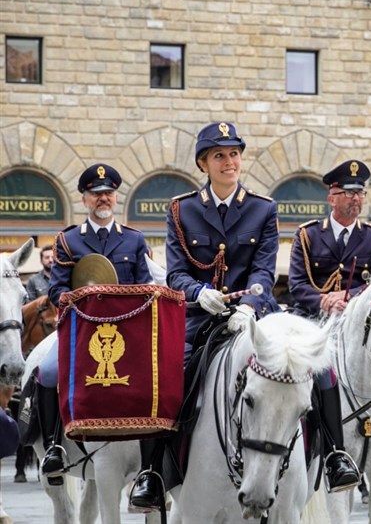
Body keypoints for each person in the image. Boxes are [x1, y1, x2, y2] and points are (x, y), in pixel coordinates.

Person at [129, 121, 282, 511]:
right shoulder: (182, 209)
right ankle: (153, 471)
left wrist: (248, 307)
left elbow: (264, 270)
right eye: (219, 156)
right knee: (164, 382)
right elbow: (177, 272)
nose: (229, 162)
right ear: (204, 164)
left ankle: (329, 456)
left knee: (308, 371)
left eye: (234, 154)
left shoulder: (263, 209)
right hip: (200, 319)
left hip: (253, 317)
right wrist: (201, 293)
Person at [37, 164, 152, 486]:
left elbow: (144, 287)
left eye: (108, 193)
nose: (103, 198)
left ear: (115, 197)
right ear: (85, 199)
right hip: (81, 329)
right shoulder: (68, 240)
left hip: (127, 332)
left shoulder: (134, 240)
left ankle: (153, 463)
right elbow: (56, 289)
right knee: (46, 373)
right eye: (96, 194)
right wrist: (74, 296)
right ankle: (54, 446)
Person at [288, 159, 371, 492]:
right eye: (348, 193)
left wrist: (353, 300)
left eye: (360, 192)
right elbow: (297, 285)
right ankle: (323, 445)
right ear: (331, 197)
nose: (356, 199)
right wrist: (324, 300)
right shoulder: (307, 235)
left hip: (355, 322)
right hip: (314, 323)